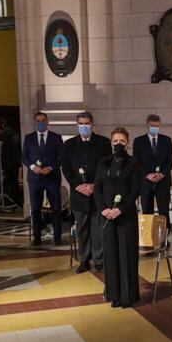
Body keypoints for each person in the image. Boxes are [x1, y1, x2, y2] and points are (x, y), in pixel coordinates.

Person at [94, 127, 141, 307]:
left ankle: (128, 296)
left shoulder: (133, 162)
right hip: (107, 216)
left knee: (126, 255)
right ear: (111, 143)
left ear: (127, 143)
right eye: (115, 141)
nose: (118, 144)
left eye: (122, 141)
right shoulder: (103, 162)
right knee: (111, 255)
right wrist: (103, 209)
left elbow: (135, 190)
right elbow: (97, 188)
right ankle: (114, 294)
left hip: (125, 215)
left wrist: (120, 209)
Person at [62, 111, 111, 273]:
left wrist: (94, 185)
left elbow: (106, 167)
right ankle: (84, 259)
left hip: (97, 193)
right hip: (78, 195)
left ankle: (99, 260)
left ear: (92, 124)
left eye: (87, 123)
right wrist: (77, 185)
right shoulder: (69, 145)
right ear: (77, 125)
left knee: (98, 229)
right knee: (82, 229)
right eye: (81, 124)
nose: (84, 126)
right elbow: (67, 169)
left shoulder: (103, 143)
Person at [22, 111, 64, 244]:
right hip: (35, 179)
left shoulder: (56, 137)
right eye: (38, 120)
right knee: (35, 208)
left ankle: (57, 237)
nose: (40, 123)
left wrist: (50, 168)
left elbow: (62, 157)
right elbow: (24, 157)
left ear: (47, 121)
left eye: (43, 120)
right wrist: (34, 167)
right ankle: (37, 237)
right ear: (34, 122)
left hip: (52, 178)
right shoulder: (28, 138)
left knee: (56, 208)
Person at [133, 114, 172, 217]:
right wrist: (147, 174)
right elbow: (136, 161)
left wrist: (162, 174)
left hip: (163, 182)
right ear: (147, 125)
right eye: (152, 126)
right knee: (147, 211)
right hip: (146, 182)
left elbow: (171, 160)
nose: (154, 128)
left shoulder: (167, 140)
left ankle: (165, 232)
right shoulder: (138, 141)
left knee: (164, 212)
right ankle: (148, 233)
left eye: (157, 126)